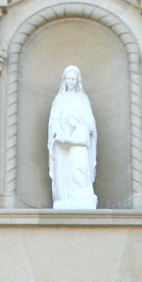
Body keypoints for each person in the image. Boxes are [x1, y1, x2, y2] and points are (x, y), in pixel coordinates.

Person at [48, 65, 97, 209]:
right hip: (62, 144)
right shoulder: (59, 99)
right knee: (63, 170)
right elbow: (54, 119)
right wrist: (60, 133)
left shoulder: (83, 99)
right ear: (64, 80)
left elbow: (90, 122)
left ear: (78, 80)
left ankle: (81, 195)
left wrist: (83, 127)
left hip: (79, 144)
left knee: (79, 170)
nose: (71, 81)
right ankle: (65, 197)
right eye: (69, 78)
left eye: (73, 79)